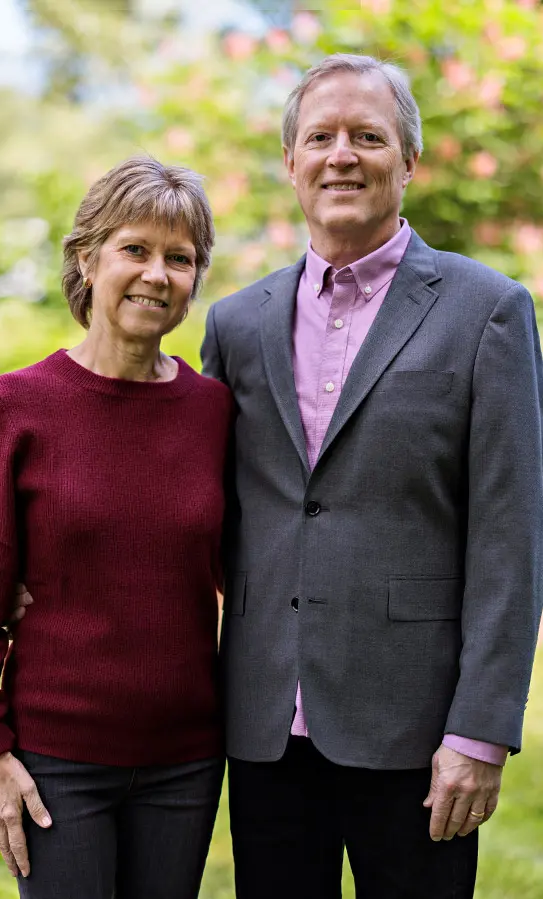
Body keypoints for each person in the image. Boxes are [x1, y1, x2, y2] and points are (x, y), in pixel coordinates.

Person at [200, 53, 543, 898]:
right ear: (290, 163)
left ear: (408, 160)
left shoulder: (487, 309)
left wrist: (480, 729)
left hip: (417, 728)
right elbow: (195, 505)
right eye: (319, 137)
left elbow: (511, 535)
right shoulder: (235, 323)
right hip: (265, 724)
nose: (340, 155)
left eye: (367, 136)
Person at [0, 156, 231, 899]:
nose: (156, 274)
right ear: (87, 258)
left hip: (187, 757)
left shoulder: (214, 413)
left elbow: (245, 567)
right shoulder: (15, 406)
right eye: (134, 249)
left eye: (179, 258)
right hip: (55, 759)